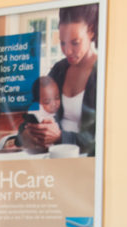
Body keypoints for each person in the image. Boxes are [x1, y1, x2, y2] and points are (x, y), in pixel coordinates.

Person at [22, 4, 98, 156]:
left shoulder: (102, 73)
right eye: (63, 43)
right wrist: (28, 132)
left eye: (75, 42)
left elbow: (100, 140)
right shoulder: (59, 69)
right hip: (54, 157)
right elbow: (36, 106)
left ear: (90, 31)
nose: (67, 51)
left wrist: (60, 137)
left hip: (85, 163)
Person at [13, 75, 62, 152]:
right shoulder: (33, 115)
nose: (54, 104)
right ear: (38, 102)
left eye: (57, 98)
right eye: (47, 102)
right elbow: (18, 141)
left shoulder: (60, 115)